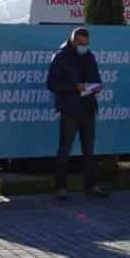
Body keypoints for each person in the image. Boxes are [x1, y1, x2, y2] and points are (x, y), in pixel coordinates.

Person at [46, 26, 107, 200]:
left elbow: (96, 79)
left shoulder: (89, 56)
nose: (84, 47)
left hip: (88, 108)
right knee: (65, 149)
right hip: (70, 109)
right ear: (73, 41)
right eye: (81, 44)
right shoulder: (60, 56)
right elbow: (51, 84)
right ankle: (61, 188)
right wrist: (74, 87)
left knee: (89, 150)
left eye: (87, 44)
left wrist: (96, 87)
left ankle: (91, 186)